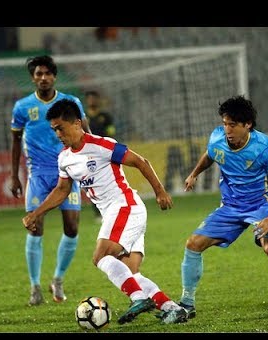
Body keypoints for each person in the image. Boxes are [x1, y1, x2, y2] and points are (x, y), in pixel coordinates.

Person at [22, 99, 188, 325]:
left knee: (100, 257)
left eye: (60, 128)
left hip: (125, 206)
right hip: (118, 213)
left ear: (77, 123)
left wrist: (160, 191)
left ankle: (138, 298)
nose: (57, 134)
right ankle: (172, 308)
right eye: (54, 130)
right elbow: (62, 190)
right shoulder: (64, 158)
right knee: (130, 274)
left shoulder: (102, 145)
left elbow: (140, 161)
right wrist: (37, 213)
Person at [178, 95, 268, 318]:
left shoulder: (265, 148)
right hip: (231, 206)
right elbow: (210, 154)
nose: (227, 129)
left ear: (248, 125)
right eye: (225, 123)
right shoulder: (217, 137)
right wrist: (194, 174)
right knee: (193, 244)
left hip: (261, 205)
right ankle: (187, 304)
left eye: (233, 125)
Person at [10, 55, 91, 306]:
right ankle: (35, 286)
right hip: (38, 174)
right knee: (35, 228)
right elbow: (15, 141)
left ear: (54, 76)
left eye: (47, 73)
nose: (43, 78)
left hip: (68, 170)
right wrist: (14, 175)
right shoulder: (22, 107)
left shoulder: (71, 102)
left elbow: (87, 135)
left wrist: (93, 165)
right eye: (38, 74)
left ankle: (57, 279)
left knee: (72, 228)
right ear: (33, 78)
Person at [84, 90, 117, 221]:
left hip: (104, 153)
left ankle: (112, 210)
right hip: (89, 155)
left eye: (94, 98)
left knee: (109, 181)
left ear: (98, 100)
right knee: (92, 183)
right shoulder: (83, 117)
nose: (92, 101)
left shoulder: (105, 116)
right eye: (89, 98)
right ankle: (98, 213)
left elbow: (111, 133)